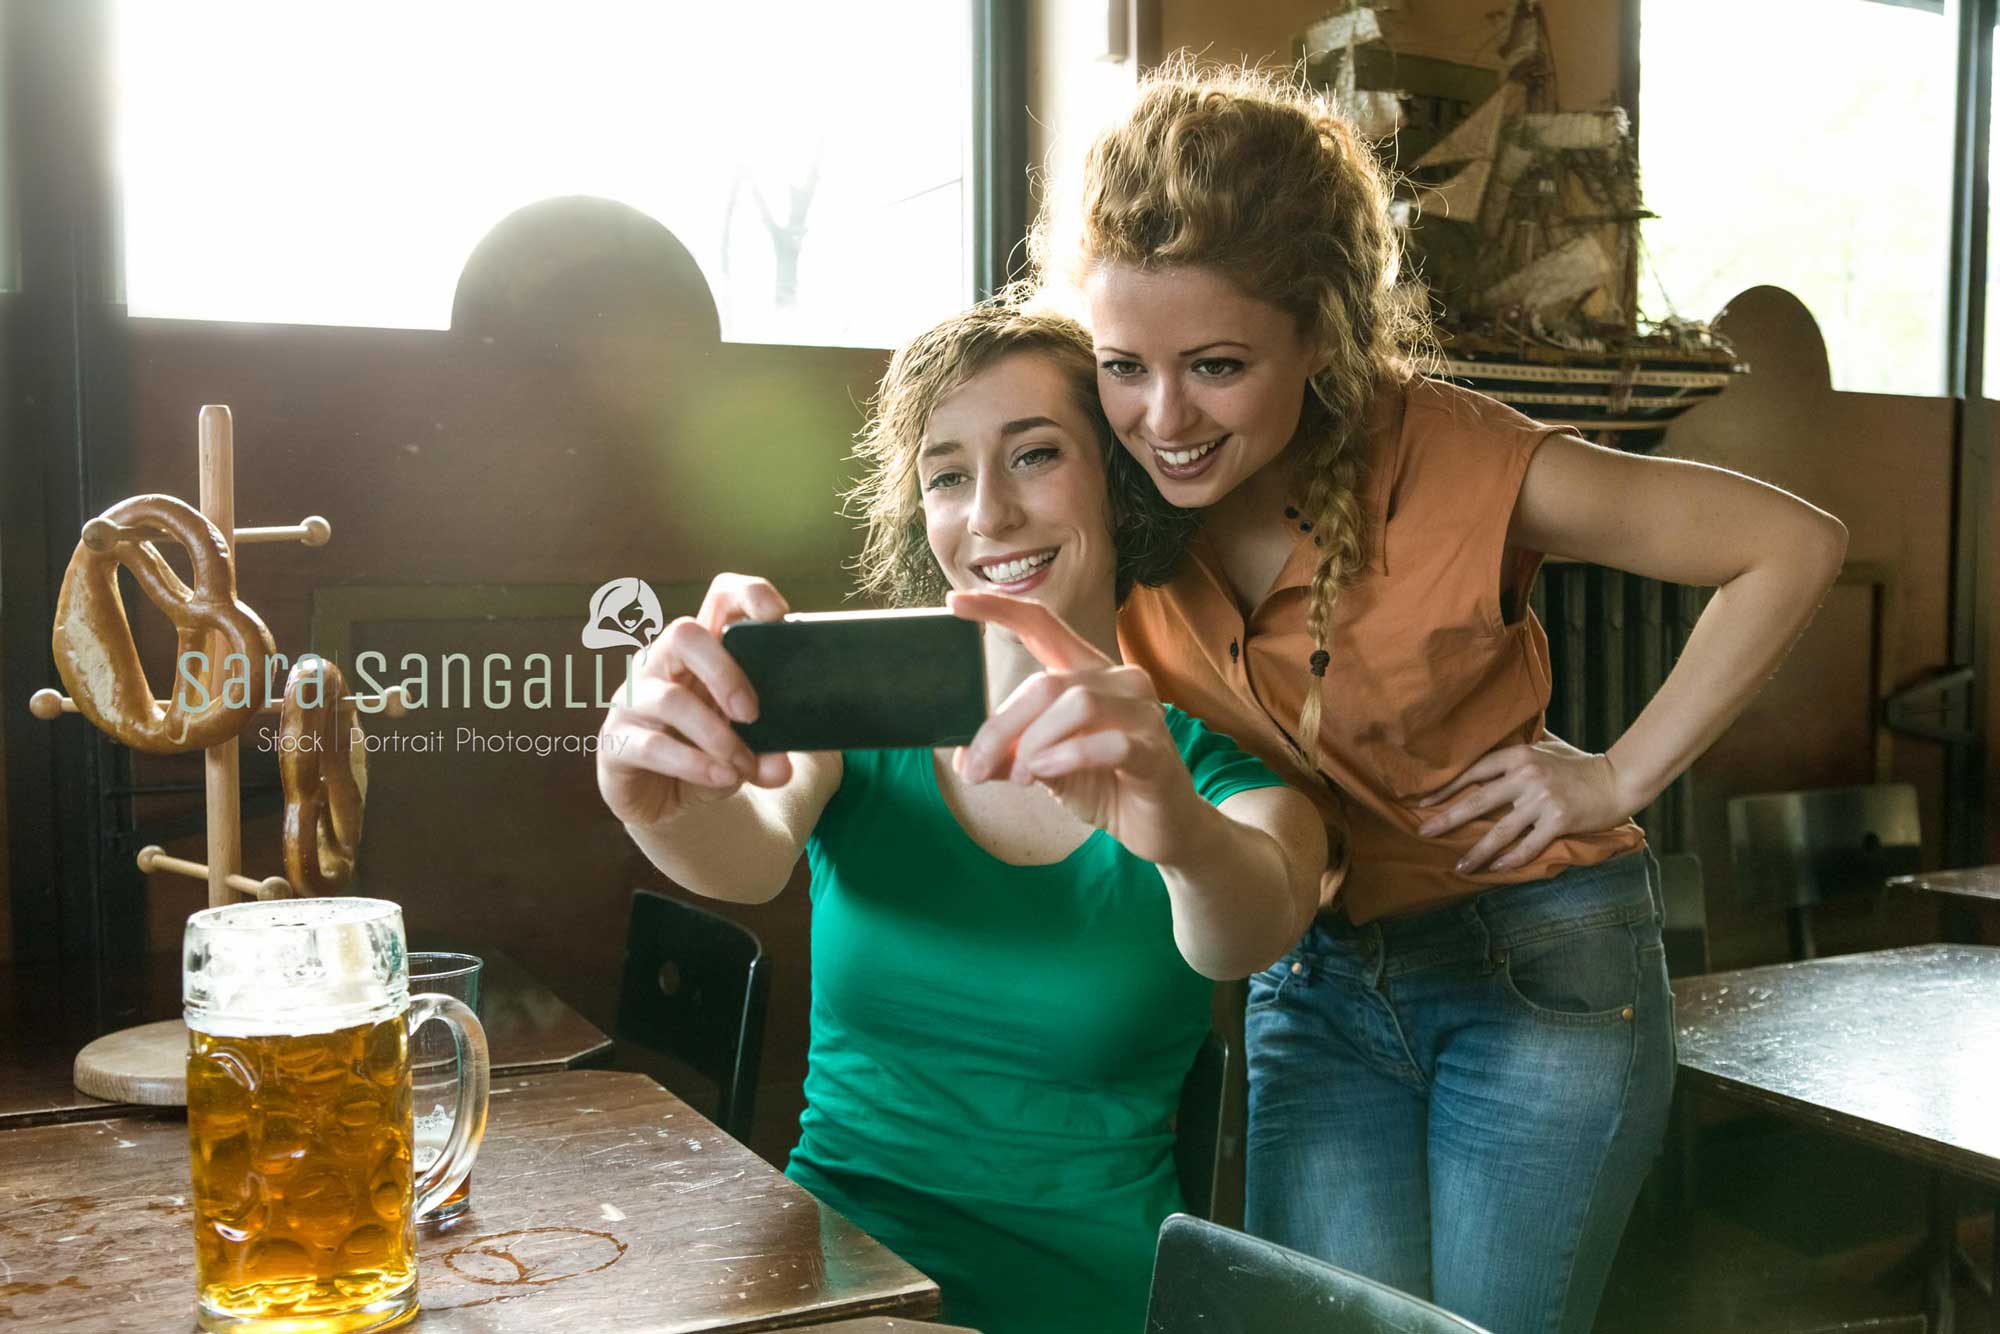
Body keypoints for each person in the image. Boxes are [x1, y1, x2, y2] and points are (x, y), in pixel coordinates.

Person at [1030, 59, 1850, 1334]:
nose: (1163, 417)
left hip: (1536, 967)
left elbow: (1788, 545)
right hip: (1308, 977)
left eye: (1217, 365)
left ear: (1318, 329)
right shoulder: (1108, 491)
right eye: (1122, 366)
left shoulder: (1454, 453)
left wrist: (1617, 774)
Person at [596, 302, 1325, 1334]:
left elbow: (1253, 917)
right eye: (946, 474)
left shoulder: (1209, 772)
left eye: (1033, 455)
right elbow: (745, 854)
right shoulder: (858, 726)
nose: (986, 513)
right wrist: (648, 795)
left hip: (1077, 1302)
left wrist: (1175, 827)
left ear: (1120, 484)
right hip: (834, 1287)